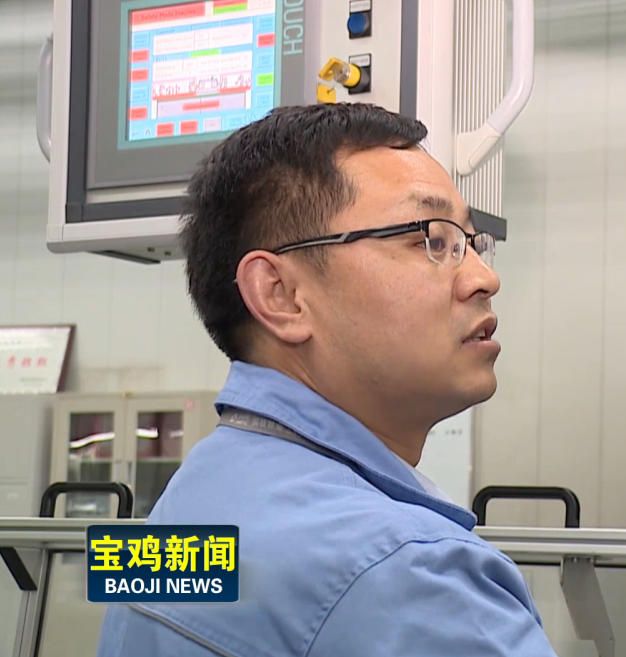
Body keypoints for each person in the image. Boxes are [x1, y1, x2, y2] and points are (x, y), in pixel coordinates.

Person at [97, 103, 559, 657]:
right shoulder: (412, 575)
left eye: (471, 241)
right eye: (430, 240)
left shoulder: (181, 508)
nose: (484, 277)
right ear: (281, 295)